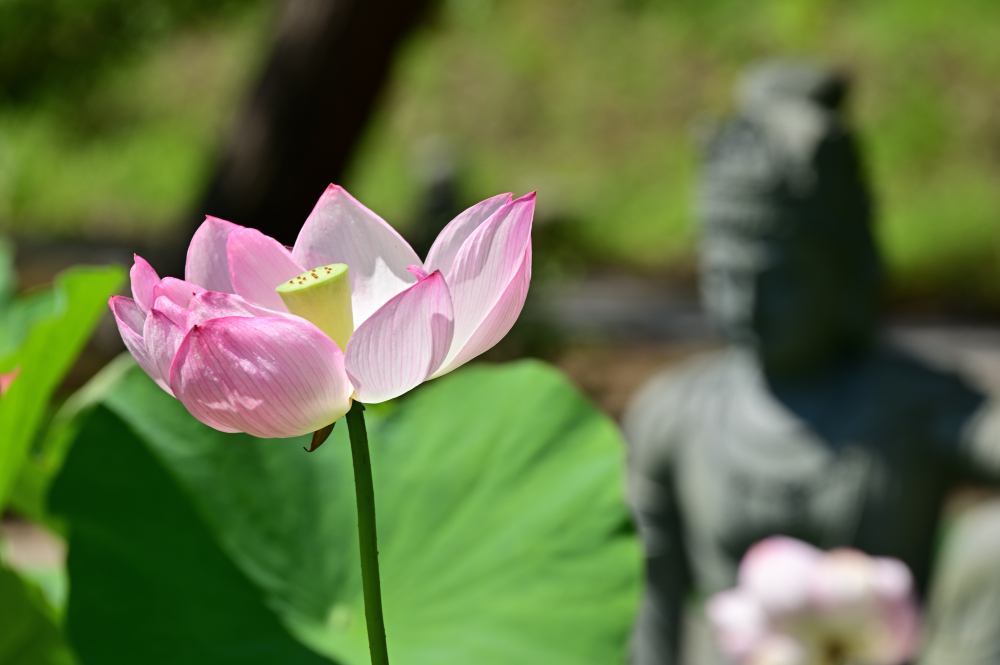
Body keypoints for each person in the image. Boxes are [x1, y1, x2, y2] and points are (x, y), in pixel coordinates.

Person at [623, 61, 1000, 665]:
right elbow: (648, 601)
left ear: (842, 271)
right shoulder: (675, 413)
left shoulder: (912, 403)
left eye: (780, 281)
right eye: (725, 275)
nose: (746, 303)